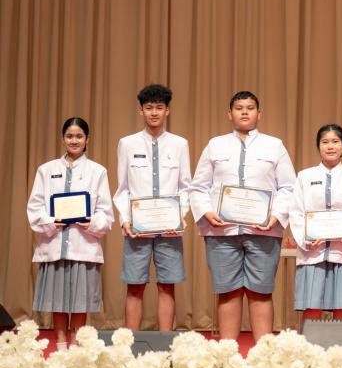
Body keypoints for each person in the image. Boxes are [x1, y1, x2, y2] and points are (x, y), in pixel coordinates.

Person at [189, 91, 296, 341]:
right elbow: (198, 187)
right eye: (239, 108)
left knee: (261, 292)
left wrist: (276, 216)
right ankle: (228, 354)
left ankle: (263, 354)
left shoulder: (275, 145)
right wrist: (207, 212)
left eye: (250, 108)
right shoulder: (215, 145)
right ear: (230, 114)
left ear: (259, 113)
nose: (245, 112)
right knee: (228, 292)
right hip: (222, 232)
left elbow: (289, 187)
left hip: (264, 231)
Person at [27, 117, 114, 349]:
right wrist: (53, 222)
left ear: (87, 139)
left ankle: (76, 344)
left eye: (79, 136)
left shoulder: (98, 171)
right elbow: (35, 207)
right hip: (54, 245)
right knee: (57, 300)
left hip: (83, 246)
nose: (74, 140)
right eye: (69, 136)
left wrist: (89, 222)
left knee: (79, 300)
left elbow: (106, 213)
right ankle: (60, 343)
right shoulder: (46, 170)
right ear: (63, 138)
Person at [113, 84, 192, 331]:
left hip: (169, 228)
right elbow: (122, 188)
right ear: (141, 111)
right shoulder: (127, 144)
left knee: (167, 285)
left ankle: (165, 341)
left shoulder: (180, 144)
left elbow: (186, 187)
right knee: (135, 285)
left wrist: (180, 215)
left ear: (167, 110)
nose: (154, 112)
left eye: (159, 107)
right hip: (137, 228)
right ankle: (130, 342)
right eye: (149, 108)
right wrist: (126, 219)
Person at [289, 124, 342, 329]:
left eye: (335, 142)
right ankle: (309, 347)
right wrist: (305, 239)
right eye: (325, 142)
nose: (330, 146)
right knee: (311, 305)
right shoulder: (304, 176)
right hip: (313, 251)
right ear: (318, 146)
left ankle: (340, 347)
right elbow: (296, 211)